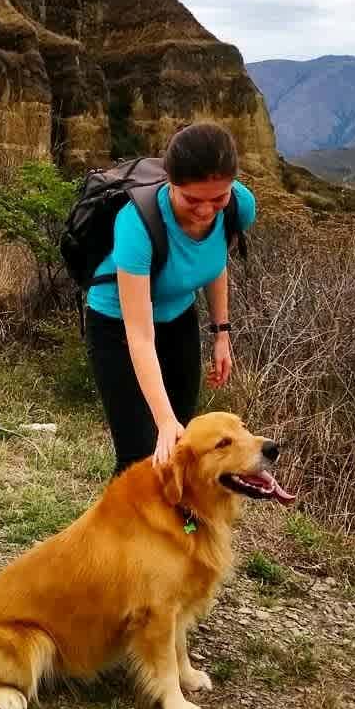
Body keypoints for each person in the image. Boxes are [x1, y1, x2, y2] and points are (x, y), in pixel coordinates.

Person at [84, 122, 256, 474]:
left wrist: (221, 333)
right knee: (139, 457)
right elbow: (140, 336)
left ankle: (177, 528)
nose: (207, 210)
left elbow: (213, 261)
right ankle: (129, 527)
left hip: (178, 318)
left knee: (182, 449)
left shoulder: (240, 206)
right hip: (117, 325)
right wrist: (163, 420)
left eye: (217, 198)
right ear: (170, 183)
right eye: (192, 199)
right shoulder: (137, 224)